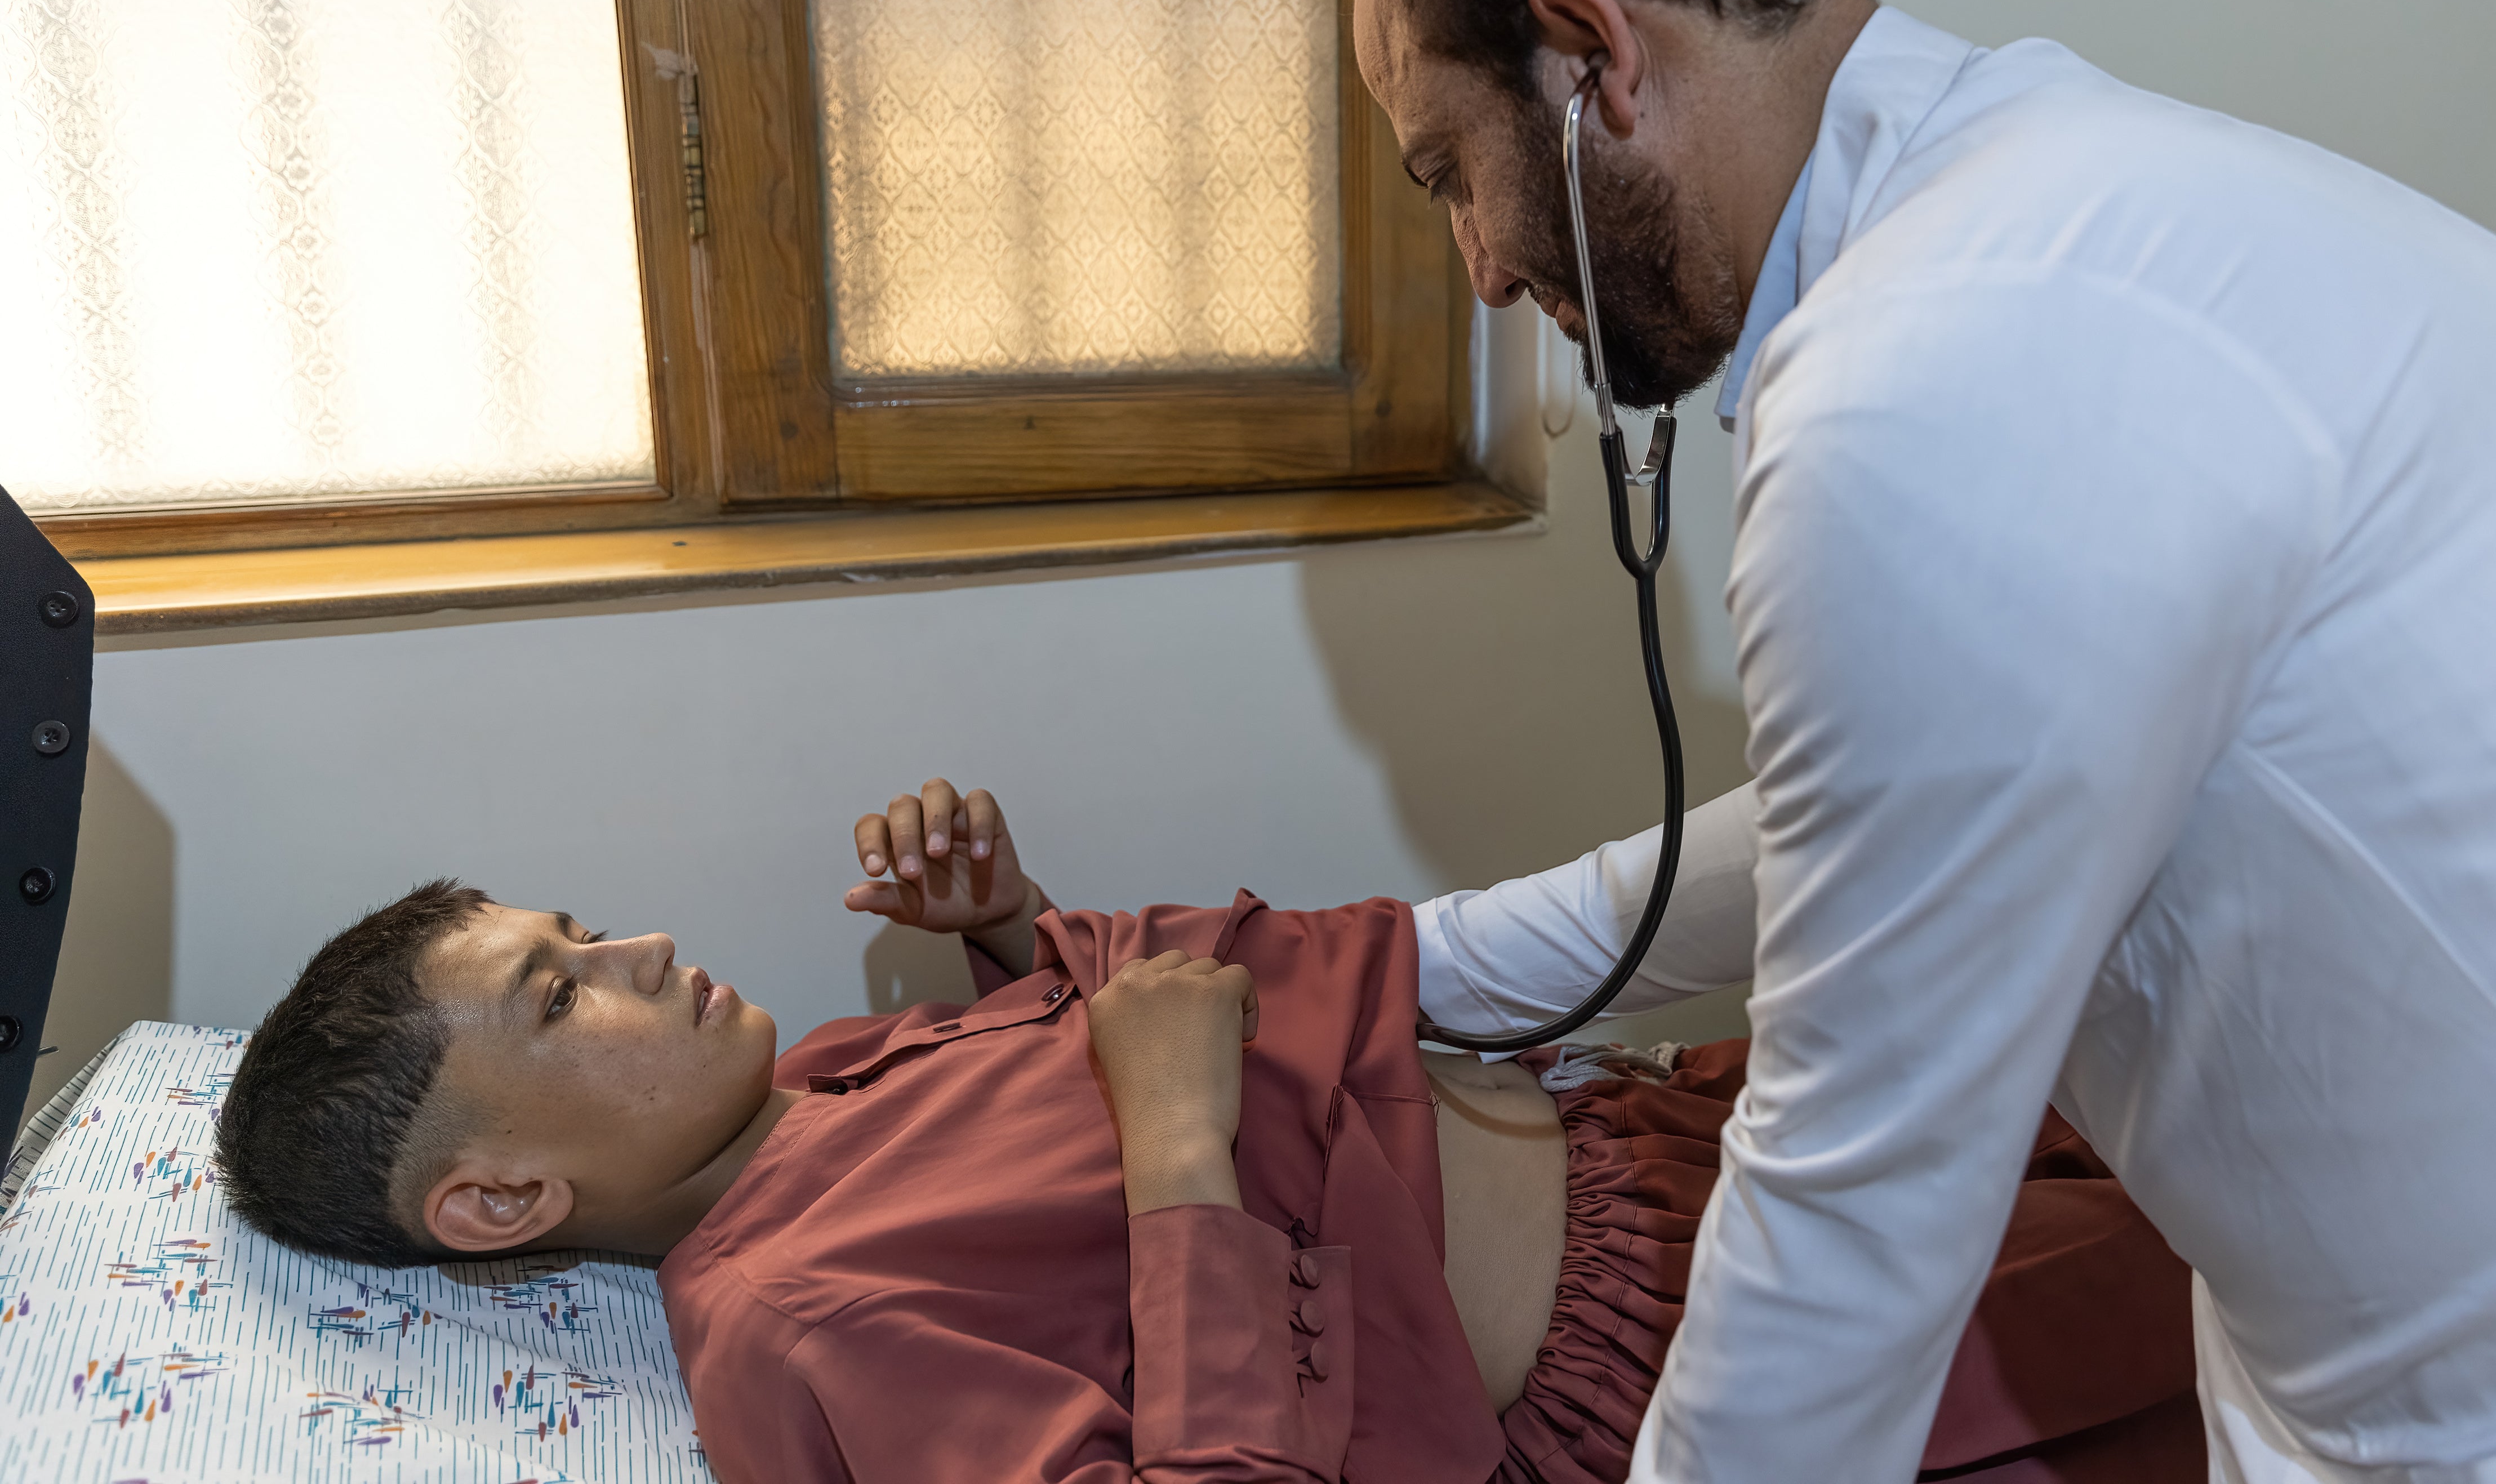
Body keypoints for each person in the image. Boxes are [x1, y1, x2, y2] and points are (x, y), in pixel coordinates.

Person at [1355, 0, 2496, 1483]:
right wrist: (1403, 966)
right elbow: (1877, 827)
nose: (1484, 264)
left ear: (1592, 50)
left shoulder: (1933, 378)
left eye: (1451, 172)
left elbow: (1849, 1217)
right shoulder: (2049, 213)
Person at [214, 778, 2201, 1484]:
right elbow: (1157, 1156)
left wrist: (1012, 928)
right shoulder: (796, 1330)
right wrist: (1176, 1149)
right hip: (1686, 1352)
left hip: (1666, 1133)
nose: (637, 949)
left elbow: (1085, 1088)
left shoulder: (828, 1077)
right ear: (501, 1199)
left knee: (2202, 1125)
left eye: (579, 933)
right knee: (2254, 1333)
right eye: (562, 996)